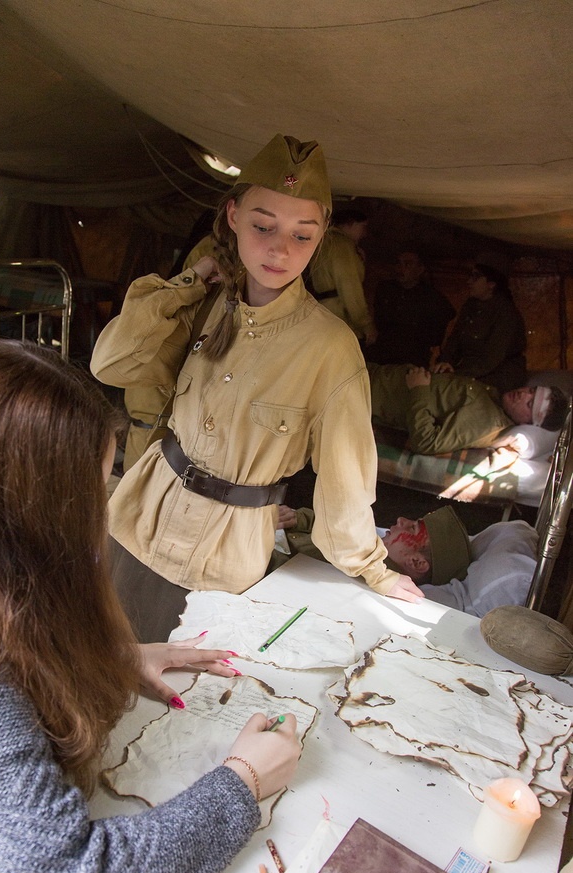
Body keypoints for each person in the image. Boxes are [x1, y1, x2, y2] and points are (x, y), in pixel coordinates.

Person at [0, 341, 301, 873]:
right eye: (95, 486)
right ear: (37, 506)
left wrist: (108, 658)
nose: (104, 507)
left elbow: (8, 633)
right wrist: (242, 781)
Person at [91, 134, 422, 643]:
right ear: (232, 216)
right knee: (96, 659)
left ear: (324, 236)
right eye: (263, 226)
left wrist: (373, 569)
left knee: (175, 704)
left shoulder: (329, 348)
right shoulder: (201, 302)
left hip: (222, 562)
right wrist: (191, 281)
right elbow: (109, 364)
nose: (280, 249)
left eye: (302, 236)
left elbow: (346, 473)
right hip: (139, 519)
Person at [274, 505, 539, 617]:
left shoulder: (367, 576)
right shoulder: (373, 547)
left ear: (416, 563)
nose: (400, 521)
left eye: (411, 529)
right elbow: (341, 533)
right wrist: (302, 518)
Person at [367, 362, 568, 454]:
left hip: (371, 393)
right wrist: (446, 378)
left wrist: (419, 390)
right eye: (532, 390)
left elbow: (426, 442)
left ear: (527, 422)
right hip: (377, 375)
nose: (523, 394)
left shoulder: (485, 423)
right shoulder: (495, 400)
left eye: (530, 403)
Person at [433, 257, 527, 393]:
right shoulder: (470, 306)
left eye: (476, 277)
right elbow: (455, 340)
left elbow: (491, 359)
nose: (469, 281)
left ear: (491, 283)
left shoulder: (505, 312)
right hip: (469, 370)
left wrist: (456, 374)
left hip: (497, 375)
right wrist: (444, 363)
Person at [370, 248, 455, 367]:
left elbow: (445, 317)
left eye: (408, 264)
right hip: (384, 355)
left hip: (413, 359)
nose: (401, 268)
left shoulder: (431, 297)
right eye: (399, 263)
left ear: (420, 269)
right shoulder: (386, 289)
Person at [307, 207, 378, 346]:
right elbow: (349, 284)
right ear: (350, 224)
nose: (364, 233)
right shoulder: (342, 245)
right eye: (363, 227)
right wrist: (365, 322)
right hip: (339, 315)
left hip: (323, 313)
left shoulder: (325, 242)